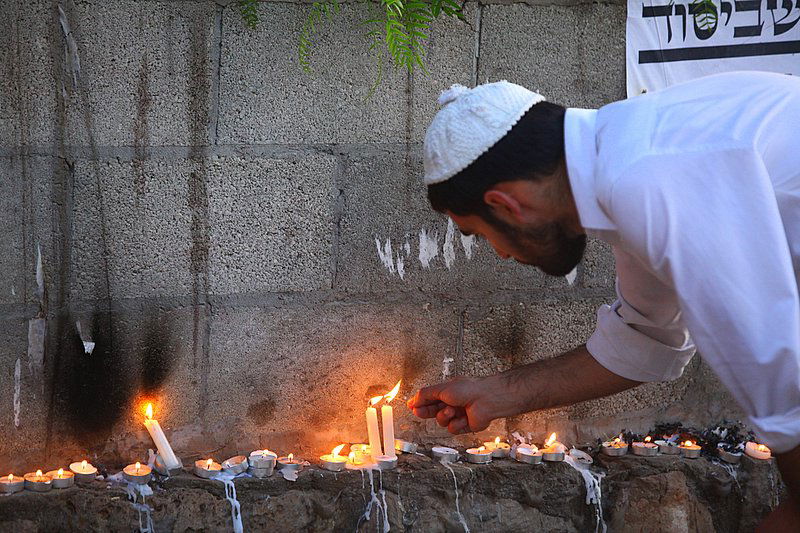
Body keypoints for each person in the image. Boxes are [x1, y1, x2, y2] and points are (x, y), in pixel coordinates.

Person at [407, 72, 800, 530]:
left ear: (507, 205)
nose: (501, 253)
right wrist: (496, 395)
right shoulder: (620, 167)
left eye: (482, 233)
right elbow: (646, 338)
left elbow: (777, 369)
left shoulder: (645, 177)